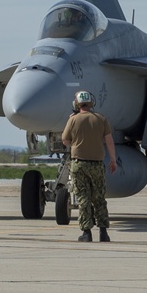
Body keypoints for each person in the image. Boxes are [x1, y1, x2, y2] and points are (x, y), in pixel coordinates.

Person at [62, 90, 117, 242]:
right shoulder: (101, 119)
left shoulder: (73, 120)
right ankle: (104, 233)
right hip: (97, 165)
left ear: (76, 104)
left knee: (83, 198)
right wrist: (113, 160)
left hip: (79, 164)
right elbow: (109, 141)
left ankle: (86, 233)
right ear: (92, 102)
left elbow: (65, 141)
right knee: (99, 198)